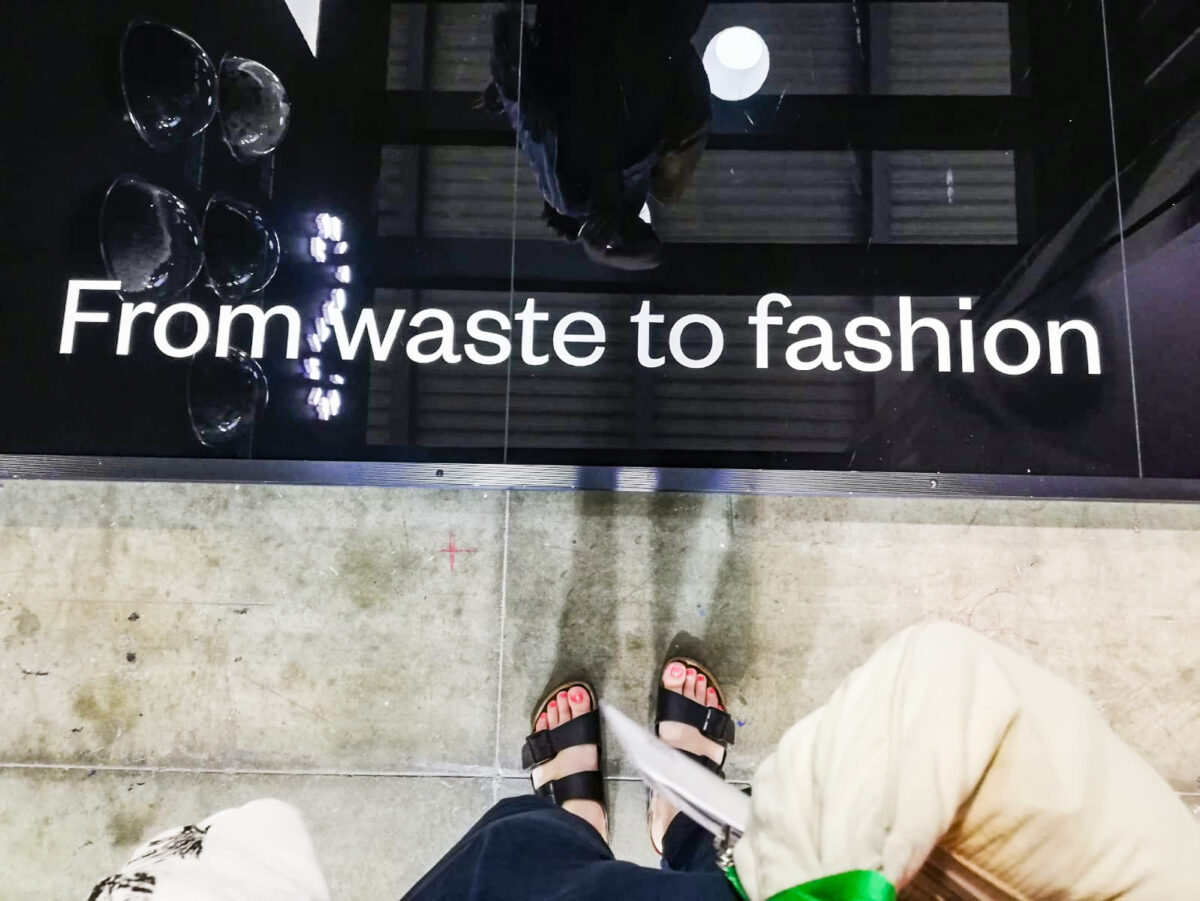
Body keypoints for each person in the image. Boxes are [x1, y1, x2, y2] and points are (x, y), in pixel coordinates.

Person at [484, 0, 712, 271]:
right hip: (640, 21)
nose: (614, 231)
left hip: (586, 20)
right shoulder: (654, 173)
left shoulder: (570, 188)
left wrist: (510, 47)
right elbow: (692, 102)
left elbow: (525, 109)